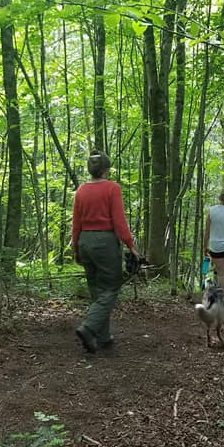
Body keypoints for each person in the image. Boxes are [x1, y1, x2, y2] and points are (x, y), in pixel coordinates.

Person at [71, 150, 141, 353]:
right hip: (105, 242)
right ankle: (88, 327)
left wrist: (76, 249)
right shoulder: (112, 188)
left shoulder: (81, 190)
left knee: (96, 290)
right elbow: (119, 221)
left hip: (85, 241)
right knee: (111, 288)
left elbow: (76, 224)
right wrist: (130, 245)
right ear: (106, 170)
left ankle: (103, 337)